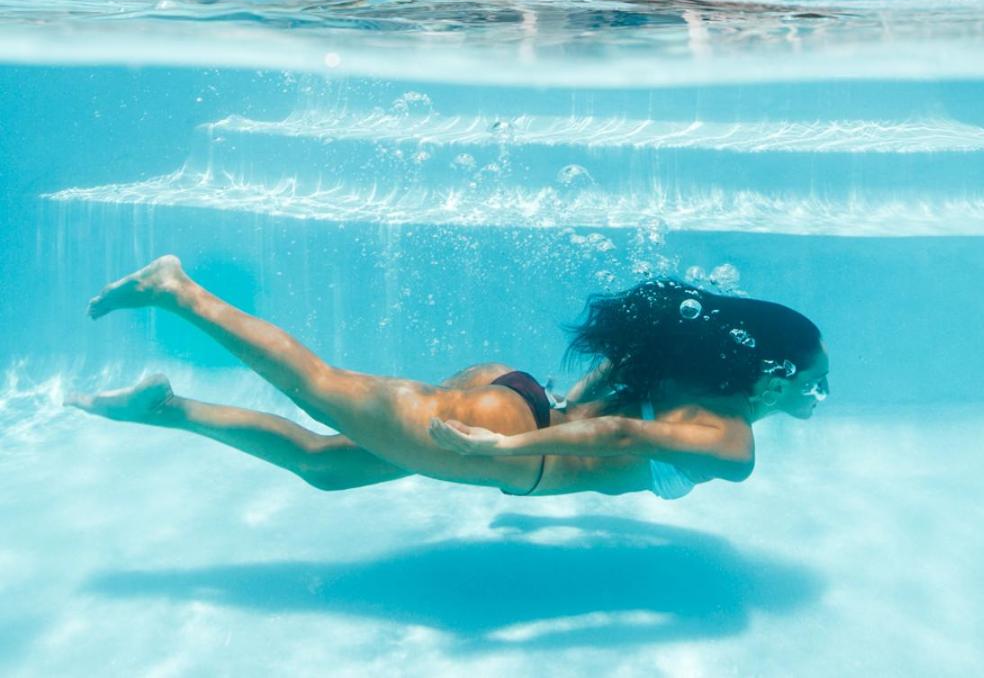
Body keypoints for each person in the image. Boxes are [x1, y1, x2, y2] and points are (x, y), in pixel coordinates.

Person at [67, 259, 828, 499]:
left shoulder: (690, 382)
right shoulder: (732, 443)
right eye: (814, 382)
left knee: (326, 467)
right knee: (322, 386)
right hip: (510, 442)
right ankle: (180, 293)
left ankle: (168, 409)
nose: (819, 396)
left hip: (516, 399)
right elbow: (625, 434)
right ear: (774, 377)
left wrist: (541, 415)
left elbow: (611, 396)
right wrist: (499, 451)